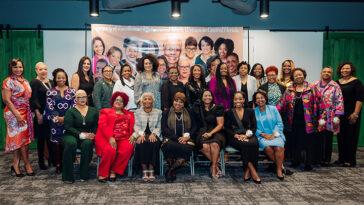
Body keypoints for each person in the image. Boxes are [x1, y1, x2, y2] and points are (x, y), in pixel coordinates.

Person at [277, 68, 319, 171]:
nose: (298, 77)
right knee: (295, 141)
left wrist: (320, 118)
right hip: (293, 120)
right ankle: (296, 161)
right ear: (293, 78)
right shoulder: (289, 89)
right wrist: (273, 111)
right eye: (296, 75)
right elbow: (282, 103)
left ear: (304, 75)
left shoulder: (312, 88)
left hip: (308, 121)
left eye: (300, 74)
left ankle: (308, 163)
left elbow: (318, 103)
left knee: (309, 142)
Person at [2, 58, 35, 177]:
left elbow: (28, 97)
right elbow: (6, 100)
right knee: (19, 140)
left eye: (20, 67)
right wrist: (17, 114)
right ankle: (26, 164)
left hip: (25, 112)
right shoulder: (7, 81)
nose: (18, 69)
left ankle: (16, 164)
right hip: (13, 113)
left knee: (23, 141)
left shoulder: (25, 81)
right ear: (10, 68)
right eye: (15, 67)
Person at [95, 92, 135, 182]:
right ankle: (103, 173)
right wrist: (110, 137)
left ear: (124, 104)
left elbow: (134, 127)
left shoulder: (130, 114)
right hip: (106, 137)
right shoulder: (105, 111)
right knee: (110, 150)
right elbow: (102, 125)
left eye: (121, 101)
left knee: (128, 148)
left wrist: (134, 135)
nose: (118, 102)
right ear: (113, 101)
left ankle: (114, 170)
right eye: (117, 100)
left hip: (123, 138)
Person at [62, 90, 98, 183]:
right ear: (75, 99)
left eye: (84, 97)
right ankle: (67, 176)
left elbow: (96, 125)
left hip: (87, 136)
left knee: (88, 144)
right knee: (71, 143)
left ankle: (84, 174)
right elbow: (68, 127)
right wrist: (81, 134)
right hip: (71, 135)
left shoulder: (93, 110)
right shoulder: (70, 111)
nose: (82, 99)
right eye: (79, 97)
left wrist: (93, 134)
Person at [224, 92, 261, 183]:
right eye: (236, 99)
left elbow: (254, 127)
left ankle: (247, 171)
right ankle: (253, 170)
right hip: (234, 137)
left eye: (240, 98)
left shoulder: (250, 111)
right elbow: (227, 128)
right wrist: (235, 135)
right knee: (245, 144)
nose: (238, 101)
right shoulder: (228, 112)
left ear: (244, 100)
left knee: (254, 143)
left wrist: (247, 135)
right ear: (233, 100)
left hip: (248, 134)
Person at [45, 68, 76, 174]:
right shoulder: (50, 92)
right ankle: (58, 164)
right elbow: (49, 107)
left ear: (66, 78)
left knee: (68, 143)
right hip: (55, 122)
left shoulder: (72, 91)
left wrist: (65, 118)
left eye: (63, 77)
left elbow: (74, 107)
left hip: (69, 122)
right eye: (59, 77)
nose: (61, 79)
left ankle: (68, 163)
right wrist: (57, 118)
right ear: (55, 78)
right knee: (56, 145)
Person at [161, 92, 197, 182]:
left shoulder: (190, 112)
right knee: (167, 145)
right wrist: (177, 138)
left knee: (187, 147)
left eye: (181, 102)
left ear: (184, 103)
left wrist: (187, 136)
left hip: (186, 139)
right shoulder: (166, 112)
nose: (178, 103)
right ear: (173, 101)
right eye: (176, 101)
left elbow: (195, 127)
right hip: (171, 138)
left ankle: (170, 170)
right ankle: (172, 170)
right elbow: (164, 128)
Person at [313, 66, 344, 166]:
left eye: (329, 72)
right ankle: (317, 157)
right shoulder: (314, 84)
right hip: (317, 115)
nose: (326, 73)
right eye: (324, 72)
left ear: (332, 74)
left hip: (330, 115)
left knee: (328, 137)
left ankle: (326, 159)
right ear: (321, 73)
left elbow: (339, 100)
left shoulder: (335, 85)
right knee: (317, 137)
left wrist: (337, 116)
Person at [336, 62, 364, 167]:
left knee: (351, 136)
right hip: (340, 113)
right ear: (340, 70)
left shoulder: (357, 82)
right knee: (341, 136)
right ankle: (341, 158)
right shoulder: (337, 82)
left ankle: (350, 160)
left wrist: (355, 113)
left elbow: (360, 99)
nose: (345, 70)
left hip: (351, 113)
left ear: (351, 70)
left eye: (347, 68)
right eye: (343, 68)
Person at [254, 90, 286, 180]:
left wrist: (274, 135)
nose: (260, 100)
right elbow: (253, 127)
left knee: (278, 147)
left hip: (276, 134)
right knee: (267, 148)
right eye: (257, 98)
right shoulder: (253, 112)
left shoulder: (273, 108)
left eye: (262, 97)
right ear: (255, 101)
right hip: (261, 136)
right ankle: (280, 166)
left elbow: (279, 123)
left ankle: (279, 170)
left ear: (265, 99)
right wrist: (263, 135)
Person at [193, 90, 225, 179]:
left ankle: (213, 167)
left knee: (214, 144)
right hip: (202, 131)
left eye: (209, 95)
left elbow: (220, 125)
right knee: (205, 146)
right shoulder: (199, 107)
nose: (207, 97)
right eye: (205, 96)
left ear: (212, 97)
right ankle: (216, 165)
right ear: (202, 98)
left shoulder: (218, 107)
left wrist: (210, 133)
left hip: (216, 131)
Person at [131, 92, 162, 182]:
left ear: (153, 101)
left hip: (154, 134)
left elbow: (159, 126)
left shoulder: (158, 112)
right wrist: (140, 134)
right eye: (145, 99)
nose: (147, 101)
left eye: (149, 99)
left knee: (154, 142)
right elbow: (136, 126)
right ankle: (144, 168)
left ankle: (151, 168)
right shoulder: (137, 112)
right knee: (141, 143)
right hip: (142, 134)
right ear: (142, 101)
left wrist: (154, 134)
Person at [30, 62, 52, 170]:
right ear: (36, 70)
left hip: (50, 115)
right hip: (41, 115)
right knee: (41, 140)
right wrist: (38, 114)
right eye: (41, 69)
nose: (43, 71)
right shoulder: (35, 82)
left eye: (45, 69)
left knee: (50, 138)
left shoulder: (50, 82)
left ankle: (51, 160)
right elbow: (33, 99)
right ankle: (41, 162)